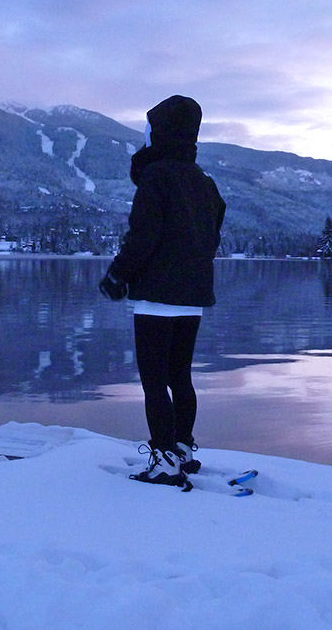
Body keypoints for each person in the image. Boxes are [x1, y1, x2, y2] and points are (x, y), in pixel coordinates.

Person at [98, 94, 226, 487]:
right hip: (193, 297)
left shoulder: (157, 177)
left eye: (150, 129)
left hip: (157, 296)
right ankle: (183, 449)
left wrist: (117, 275)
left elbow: (143, 236)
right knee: (180, 377)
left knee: (154, 381)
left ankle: (164, 460)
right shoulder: (205, 183)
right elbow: (211, 237)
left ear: (160, 132)